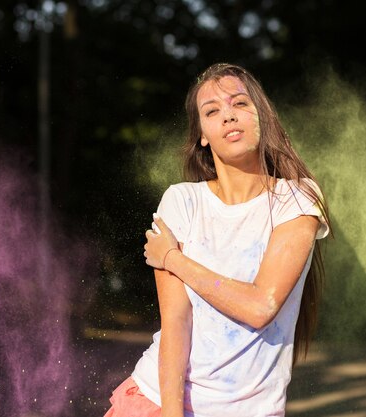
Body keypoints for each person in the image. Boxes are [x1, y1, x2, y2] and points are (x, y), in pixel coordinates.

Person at [103, 63, 331, 417]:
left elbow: (261, 307)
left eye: (239, 104)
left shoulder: (298, 199)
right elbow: (176, 322)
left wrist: (174, 259)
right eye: (212, 111)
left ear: (262, 117)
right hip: (157, 402)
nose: (228, 116)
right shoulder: (181, 201)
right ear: (203, 136)